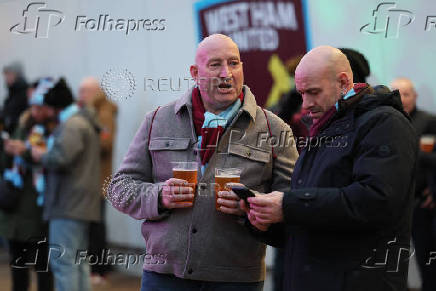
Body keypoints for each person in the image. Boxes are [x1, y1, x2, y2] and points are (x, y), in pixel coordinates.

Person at [107, 34, 298, 290]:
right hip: (164, 277)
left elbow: (293, 201)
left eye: (234, 63)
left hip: (236, 279)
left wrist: (250, 205)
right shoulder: (157, 120)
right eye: (215, 64)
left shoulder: (275, 129)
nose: (226, 73)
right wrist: (160, 196)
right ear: (195, 73)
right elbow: (120, 188)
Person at [242, 46, 417, 291]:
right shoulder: (324, 127)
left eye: (313, 92)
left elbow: (376, 200)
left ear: (344, 82)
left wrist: (288, 205)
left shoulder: (385, 123)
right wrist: (267, 223)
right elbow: (314, 218)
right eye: (301, 93)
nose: (306, 104)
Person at [31, 78, 101, 291]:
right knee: (78, 263)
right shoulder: (81, 122)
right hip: (78, 204)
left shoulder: (72, 125)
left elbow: (61, 158)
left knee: (64, 263)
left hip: (68, 204)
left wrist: (40, 154)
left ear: (54, 107)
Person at [0, 78, 55, 291]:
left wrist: (23, 151)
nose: (35, 110)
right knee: (18, 265)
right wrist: (7, 150)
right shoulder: (23, 126)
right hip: (15, 205)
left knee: (43, 266)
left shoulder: (51, 130)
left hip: (37, 207)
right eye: (33, 105)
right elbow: (7, 162)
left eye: (39, 105)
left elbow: (45, 159)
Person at [391, 77, 436, 291]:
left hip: (421, 204)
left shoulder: (429, 120)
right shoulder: (385, 122)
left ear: (415, 96)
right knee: (391, 262)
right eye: (396, 94)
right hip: (391, 204)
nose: (402, 99)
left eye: (406, 94)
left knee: (427, 261)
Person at [78, 76, 117, 284]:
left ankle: (99, 269)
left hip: (98, 179)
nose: (80, 95)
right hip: (89, 179)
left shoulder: (103, 113)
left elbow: (106, 144)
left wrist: (82, 141)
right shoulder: (89, 112)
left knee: (96, 226)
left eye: (84, 91)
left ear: (95, 92)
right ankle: (96, 267)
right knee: (91, 225)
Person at [2, 62, 28, 134]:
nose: (6, 78)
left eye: (10, 74)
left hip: (15, 135)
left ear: (17, 75)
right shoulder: (12, 93)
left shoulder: (23, 94)